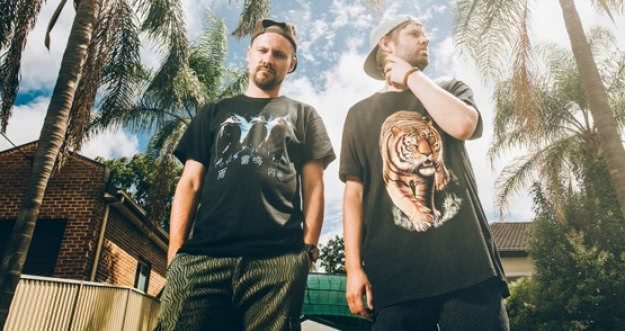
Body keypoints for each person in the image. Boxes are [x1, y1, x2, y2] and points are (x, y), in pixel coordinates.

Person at [156, 18, 336, 331]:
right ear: (249, 55)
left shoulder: (304, 115)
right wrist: (175, 253)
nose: (269, 58)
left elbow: (314, 187)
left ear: (291, 64)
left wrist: (307, 250)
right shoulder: (213, 111)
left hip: (277, 262)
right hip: (203, 259)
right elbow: (190, 183)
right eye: (263, 50)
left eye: (279, 54)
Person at [340, 16, 510, 330]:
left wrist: (413, 77)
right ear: (387, 44)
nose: (425, 40)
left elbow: (463, 125)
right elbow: (354, 193)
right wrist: (353, 269)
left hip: (467, 268)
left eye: (426, 34)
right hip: (394, 280)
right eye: (415, 33)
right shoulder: (359, 114)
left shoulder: (450, 89)